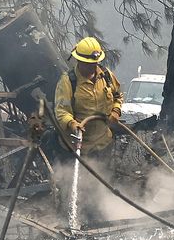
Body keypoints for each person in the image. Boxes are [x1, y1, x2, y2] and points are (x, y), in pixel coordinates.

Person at [52, 37, 124, 222]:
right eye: (88, 64)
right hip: (76, 146)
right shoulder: (68, 82)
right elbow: (61, 110)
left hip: (102, 143)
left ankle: (98, 221)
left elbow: (118, 95)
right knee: (74, 186)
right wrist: (72, 123)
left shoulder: (106, 76)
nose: (93, 68)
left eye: (95, 63)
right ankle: (69, 221)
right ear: (79, 61)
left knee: (100, 184)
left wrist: (116, 110)